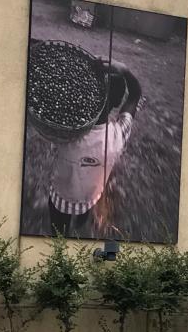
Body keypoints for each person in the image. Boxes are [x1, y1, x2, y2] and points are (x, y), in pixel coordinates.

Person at [48, 60, 141, 235]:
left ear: (83, 95)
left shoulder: (65, 130)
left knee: (58, 232)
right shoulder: (119, 135)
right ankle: (81, 219)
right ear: (116, 103)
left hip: (61, 197)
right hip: (91, 196)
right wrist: (126, 71)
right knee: (84, 209)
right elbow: (135, 96)